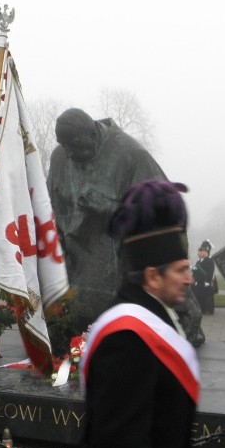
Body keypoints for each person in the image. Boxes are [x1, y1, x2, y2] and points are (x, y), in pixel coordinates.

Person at [44, 180, 200, 448]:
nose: (190, 278)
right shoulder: (128, 335)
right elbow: (119, 433)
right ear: (153, 275)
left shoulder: (156, 314)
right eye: (182, 270)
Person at [46, 107, 167, 334]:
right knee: (55, 312)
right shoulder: (60, 155)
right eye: (64, 146)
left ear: (92, 135)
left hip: (113, 254)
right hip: (68, 253)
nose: (69, 154)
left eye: (75, 146)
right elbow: (48, 205)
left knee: (90, 310)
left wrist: (110, 209)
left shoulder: (132, 154)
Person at [191, 240, 217, 315]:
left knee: (207, 297)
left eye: (202, 251)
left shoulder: (209, 261)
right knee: (199, 297)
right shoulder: (198, 262)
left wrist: (207, 280)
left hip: (206, 282)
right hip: (198, 281)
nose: (199, 253)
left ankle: (209, 310)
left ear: (206, 253)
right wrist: (194, 274)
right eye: (200, 251)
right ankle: (201, 309)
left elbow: (209, 271)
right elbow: (196, 271)